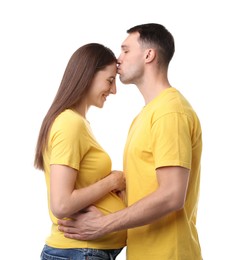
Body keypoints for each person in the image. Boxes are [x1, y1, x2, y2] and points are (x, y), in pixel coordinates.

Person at [58, 23, 203, 259]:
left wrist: (104, 224)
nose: (118, 58)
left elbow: (172, 194)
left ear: (149, 55)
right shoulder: (145, 115)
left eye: (125, 50)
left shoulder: (170, 112)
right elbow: (146, 190)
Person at [34, 43, 127, 260]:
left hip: (82, 252)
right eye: (110, 80)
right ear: (88, 75)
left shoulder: (77, 123)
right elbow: (61, 204)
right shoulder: (70, 124)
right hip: (78, 251)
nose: (113, 90)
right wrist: (113, 181)